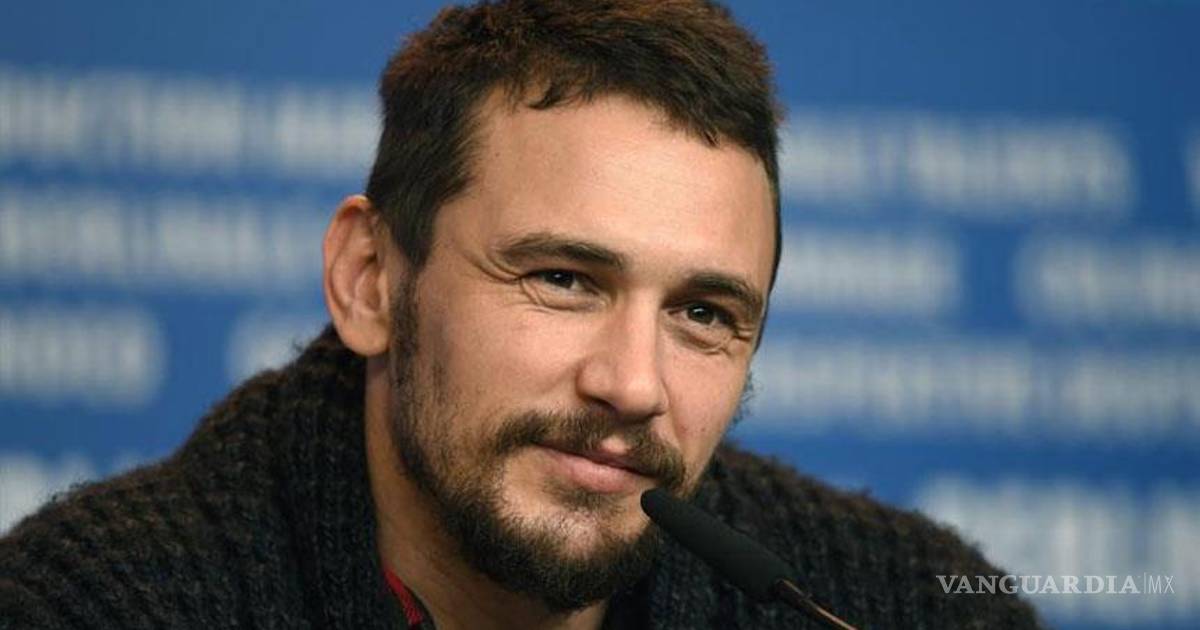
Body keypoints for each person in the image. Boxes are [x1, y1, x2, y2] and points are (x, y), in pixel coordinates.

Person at [0, 1, 1043, 628]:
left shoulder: (900, 604)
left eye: (702, 312)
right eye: (563, 279)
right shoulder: (95, 604)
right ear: (370, 281)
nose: (632, 385)